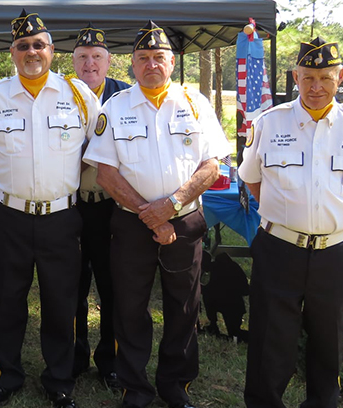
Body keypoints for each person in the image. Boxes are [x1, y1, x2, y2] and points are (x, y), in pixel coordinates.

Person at [83, 20, 229, 408]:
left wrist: (172, 205)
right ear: (131, 63)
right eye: (143, 58)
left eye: (159, 57)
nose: (151, 65)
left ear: (172, 60)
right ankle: (135, 388)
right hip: (131, 225)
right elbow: (105, 173)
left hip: (185, 221)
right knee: (130, 308)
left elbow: (212, 165)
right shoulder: (115, 108)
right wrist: (152, 215)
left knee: (184, 306)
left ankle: (175, 385)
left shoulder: (196, 104)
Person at [240, 37, 343, 408]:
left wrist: (329, 222)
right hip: (279, 249)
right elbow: (253, 179)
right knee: (271, 342)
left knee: (329, 342)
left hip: (335, 253)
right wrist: (289, 216)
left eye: (325, 77)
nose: (316, 87)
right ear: (295, 76)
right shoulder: (269, 123)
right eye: (307, 78)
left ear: (341, 77)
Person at [0, 9, 99, 408]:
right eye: (24, 45)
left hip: (62, 218)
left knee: (61, 302)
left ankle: (59, 380)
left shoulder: (78, 94)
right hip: (10, 216)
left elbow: (94, 150)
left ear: (52, 50)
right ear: (13, 52)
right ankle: (7, 375)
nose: (32, 51)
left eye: (39, 45)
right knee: (8, 299)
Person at [70, 22, 130, 387]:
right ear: (73, 62)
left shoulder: (126, 99)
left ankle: (110, 359)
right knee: (72, 285)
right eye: (82, 57)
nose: (89, 63)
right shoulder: (61, 95)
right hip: (74, 206)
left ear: (109, 62)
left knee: (113, 285)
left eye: (97, 57)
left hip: (112, 207)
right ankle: (75, 357)